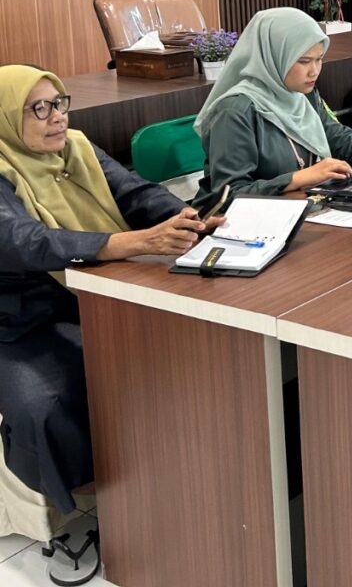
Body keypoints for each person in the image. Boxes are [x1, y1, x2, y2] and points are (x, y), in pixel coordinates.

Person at [0, 64, 215, 573]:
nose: (57, 117)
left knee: (169, 351)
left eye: (59, 102)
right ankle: (99, 495)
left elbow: (135, 192)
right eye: (38, 108)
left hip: (93, 290)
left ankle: (167, 474)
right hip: (21, 316)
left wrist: (182, 219)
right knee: (48, 403)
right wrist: (124, 244)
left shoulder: (76, 146)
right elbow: (25, 242)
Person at [192, 8, 352, 210]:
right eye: (304, 61)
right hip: (238, 222)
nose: (314, 71)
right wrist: (298, 178)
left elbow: (342, 142)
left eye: (319, 59)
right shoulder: (234, 111)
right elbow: (230, 195)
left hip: (292, 211)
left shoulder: (302, 94)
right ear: (274, 57)